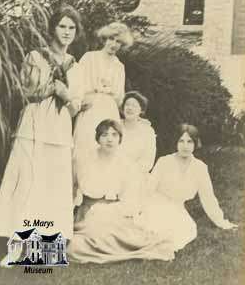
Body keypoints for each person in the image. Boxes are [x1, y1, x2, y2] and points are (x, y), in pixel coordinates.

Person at [0, 5, 83, 248]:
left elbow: (76, 107)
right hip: (34, 126)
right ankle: (19, 243)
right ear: (53, 28)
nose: (67, 32)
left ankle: (46, 246)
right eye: (62, 26)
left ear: (76, 32)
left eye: (72, 27)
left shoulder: (76, 67)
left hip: (59, 130)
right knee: (28, 180)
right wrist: (48, 89)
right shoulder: (35, 57)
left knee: (51, 185)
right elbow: (22, 93)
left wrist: (65, 94)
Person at [68, 119, 174, 264]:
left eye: (114, 135)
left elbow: (130, 197)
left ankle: (112, 246)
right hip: (88, 212)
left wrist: (115, 210)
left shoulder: (126, 163)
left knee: (127, 237)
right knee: (75, 246)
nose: (109, 139)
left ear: (120, 139)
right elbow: (72, 187)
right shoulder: (84, 159)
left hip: (115, 211)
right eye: (104, 135)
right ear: (98, 138)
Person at [136, 124, 238, 253]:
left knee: (186, 231)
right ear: (175, 143)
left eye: (189, 142)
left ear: (195, 144)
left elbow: (208, 198)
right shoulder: (164, 162)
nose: (185, 146)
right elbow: (148, 190)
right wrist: (138, 209)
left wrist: (221, 221)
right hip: (156, 204)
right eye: (181, 141)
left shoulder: (200, 168)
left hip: (178, 208)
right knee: (154, 229)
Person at [73, 22, 133, 203]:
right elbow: (78, 86)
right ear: (104, 39)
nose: (114, 44)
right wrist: (85, 98)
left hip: (108, 108)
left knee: (108, 147)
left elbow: (120, 96)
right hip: (90, 107)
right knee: (84, 147)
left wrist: (110, 95)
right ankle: (77, 194)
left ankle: (103, 194)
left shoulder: (119, 66)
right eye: (111, 39)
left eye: (118, 42)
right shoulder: (89, 58)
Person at [120, 91, 156, 173]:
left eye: (134, 106)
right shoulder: (115, 126)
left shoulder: (147, 131)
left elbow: (148, 160)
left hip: (137, 175)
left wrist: (131, 171)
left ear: (141, 110)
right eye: (127, 105)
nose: (130, 108)